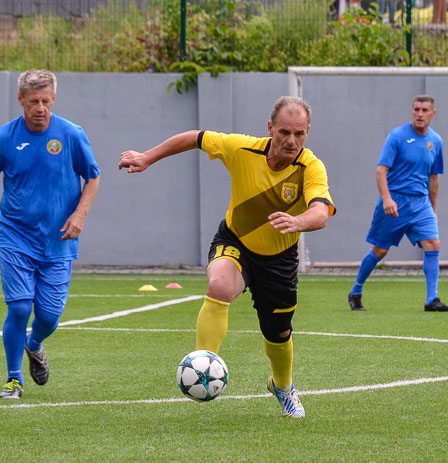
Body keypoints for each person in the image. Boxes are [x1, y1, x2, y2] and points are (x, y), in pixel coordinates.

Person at [118, 96, 336, 418]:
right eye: (285, 132)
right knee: (219, 284)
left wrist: (298, 221)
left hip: (279, 258)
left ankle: (283, 386)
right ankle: (204, 365)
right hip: (235, 241)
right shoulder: (242, 149)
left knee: (278, 334)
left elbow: (320, 212)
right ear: (270, 128)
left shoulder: (310, 167)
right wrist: (148, 157)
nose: (291, 141)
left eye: (299, 134)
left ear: (307, 133)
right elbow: (195, 137)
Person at [0, 69, 101, 399]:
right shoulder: (3, 137)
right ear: (21, 101)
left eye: (45, 101)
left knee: (48, 316)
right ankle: (14, 379)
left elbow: (93, 177)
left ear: (53, 99)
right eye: (33, 102)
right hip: (15, 237)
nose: (40, 108)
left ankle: (35, 344)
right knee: (18, 308)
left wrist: (79, 215)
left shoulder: (71, 134)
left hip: (58, 241)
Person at [348, 95, 448, 313]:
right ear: (411, 111)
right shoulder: (397, 136)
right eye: (416, 109)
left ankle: (431, 300)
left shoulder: (436, 141)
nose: (420, 114)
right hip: (395, 201)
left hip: (421, 204)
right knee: (380, 251)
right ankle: (355, 291)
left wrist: (433, 209)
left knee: (433, 243)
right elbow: (381, 171)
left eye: (425, 110)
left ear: (433, 114)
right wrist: (387, 199)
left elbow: (434, 178)